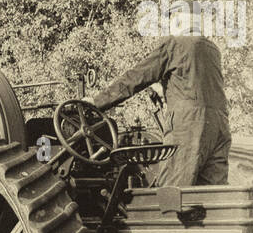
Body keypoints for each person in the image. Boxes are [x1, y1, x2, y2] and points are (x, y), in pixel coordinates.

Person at [89, 33, 231, 186]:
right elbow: (193, 83)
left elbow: (137, 77)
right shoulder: (212, 48)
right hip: (219, 125)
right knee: (213, 196)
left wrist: (96, 102)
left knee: (171, 195)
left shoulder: (174, 44)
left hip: (189, 125)